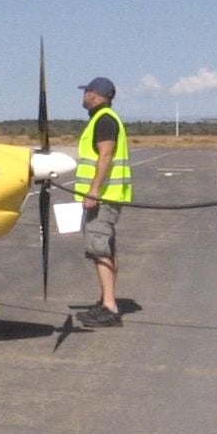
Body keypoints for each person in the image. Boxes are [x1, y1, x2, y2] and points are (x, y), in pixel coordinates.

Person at [74, 77, 132, 328]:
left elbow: (105, 155)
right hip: (107, 197)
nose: (84, 96)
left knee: (100, 250)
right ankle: (106, 301)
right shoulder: (103, 118)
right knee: (105, 248)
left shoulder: (104, 120)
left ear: (95, 95)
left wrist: (94, 191)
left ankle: (109, 307)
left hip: (103, 198)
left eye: (86, 92)